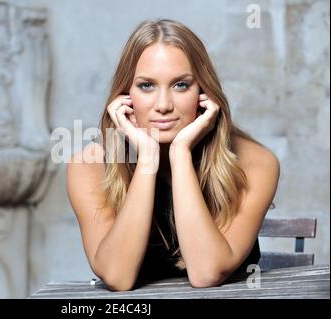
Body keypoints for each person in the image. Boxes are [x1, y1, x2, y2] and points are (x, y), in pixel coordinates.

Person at [66, 19, 280, 291]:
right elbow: (117, 276)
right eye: (146, 86)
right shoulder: (89, 166)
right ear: (125, 95)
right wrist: (147, 158)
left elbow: (207, 272)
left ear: (203, 93)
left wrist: (180, 154)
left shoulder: (256, 163)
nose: (164, 105)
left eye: (180, 85)